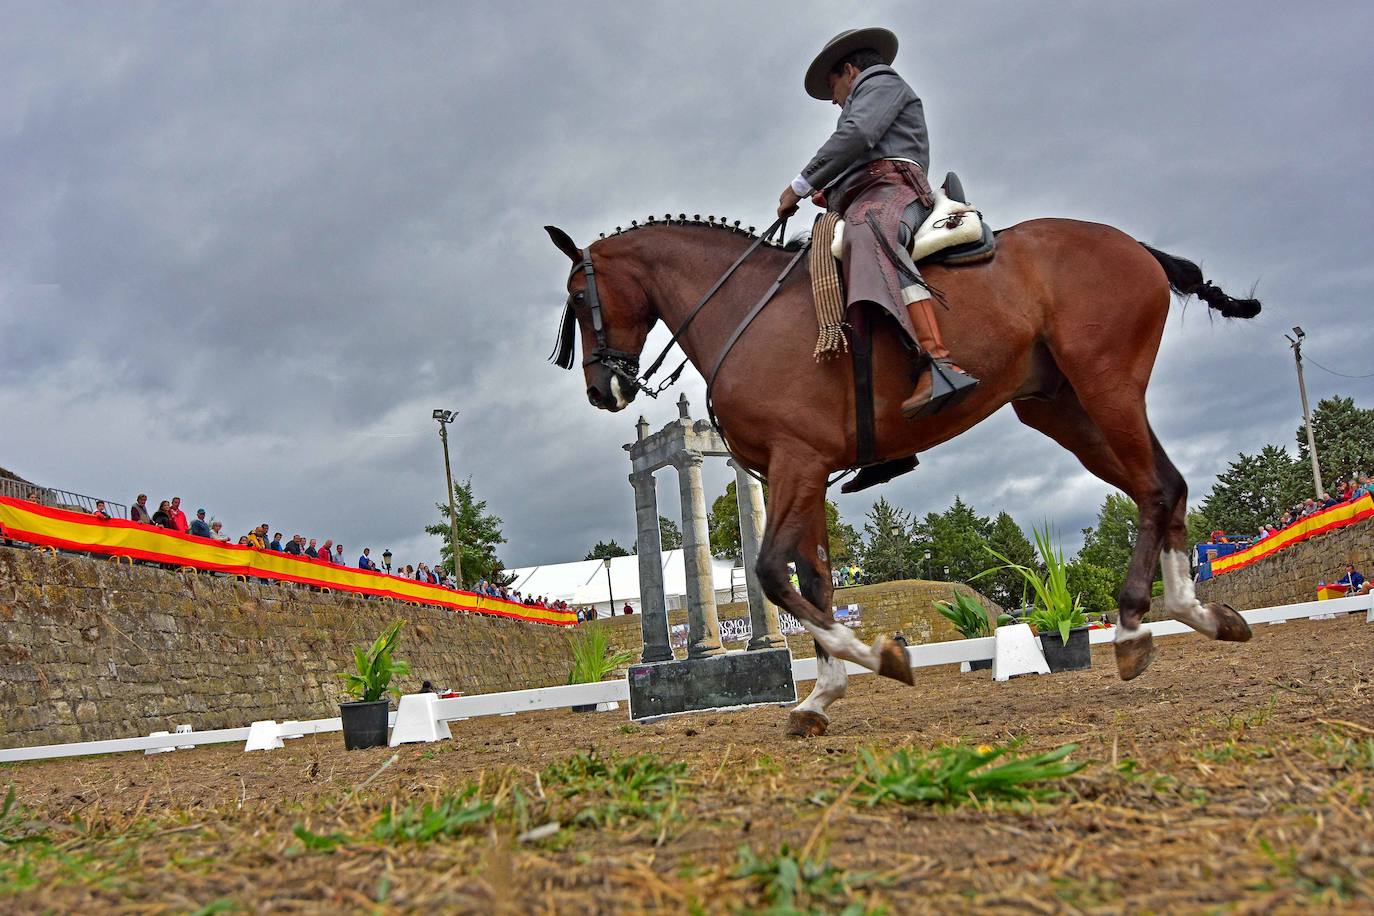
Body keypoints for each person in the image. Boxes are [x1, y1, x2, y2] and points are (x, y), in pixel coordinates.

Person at [779, 27, 977, 424]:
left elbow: (859, 135)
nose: (835, 102)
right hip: (869, 190)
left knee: (868, 235)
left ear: (850, 70)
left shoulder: (881, 82)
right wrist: (830, 193)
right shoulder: (868, 94)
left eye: (833, 88)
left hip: (894, 190)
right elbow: (858, 153)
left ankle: (937, 363)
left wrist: (800, 186)